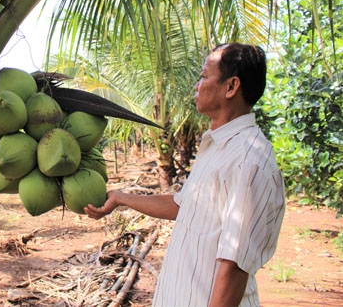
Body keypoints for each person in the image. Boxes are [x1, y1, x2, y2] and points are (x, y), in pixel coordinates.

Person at [85, 43, 286, 307]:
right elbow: (184, 205)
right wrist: (120, 198)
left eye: (204, 77)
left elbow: (234, 267)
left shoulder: (248, 162)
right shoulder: (217, 147)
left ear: (231, 86)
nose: (196, 86)